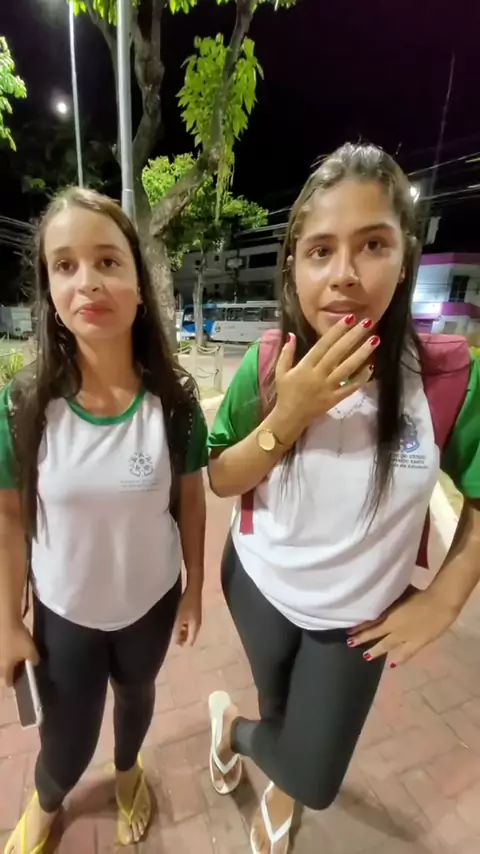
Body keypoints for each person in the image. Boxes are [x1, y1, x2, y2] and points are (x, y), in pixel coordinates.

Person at [206, 143, 480, 854]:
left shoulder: (448, 377)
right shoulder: (268, 364)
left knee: (317, 777)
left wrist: (447, 598)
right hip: (258, 585)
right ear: (294, 268)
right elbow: (221, 477)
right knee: (281, 707)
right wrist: (291, 412)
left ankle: (233, 733)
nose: (345, 274)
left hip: (359, 621)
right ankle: (272, 764)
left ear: (405, 257)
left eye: (373, 245)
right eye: (320, 251)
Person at [0, 188, 207, 854]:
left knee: (137, 696)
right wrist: (7, 620)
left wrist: (195, 588)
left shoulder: (174, 402)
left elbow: (193, 500)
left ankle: (127, 774)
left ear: (139, 288)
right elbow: (9, 515)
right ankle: (47, 798)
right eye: (65, 265)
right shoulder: (24, 404)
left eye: (108, 261)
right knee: (66, 737)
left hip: (151, 602)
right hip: (64, 611)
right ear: (50, 291)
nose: (86, 281)